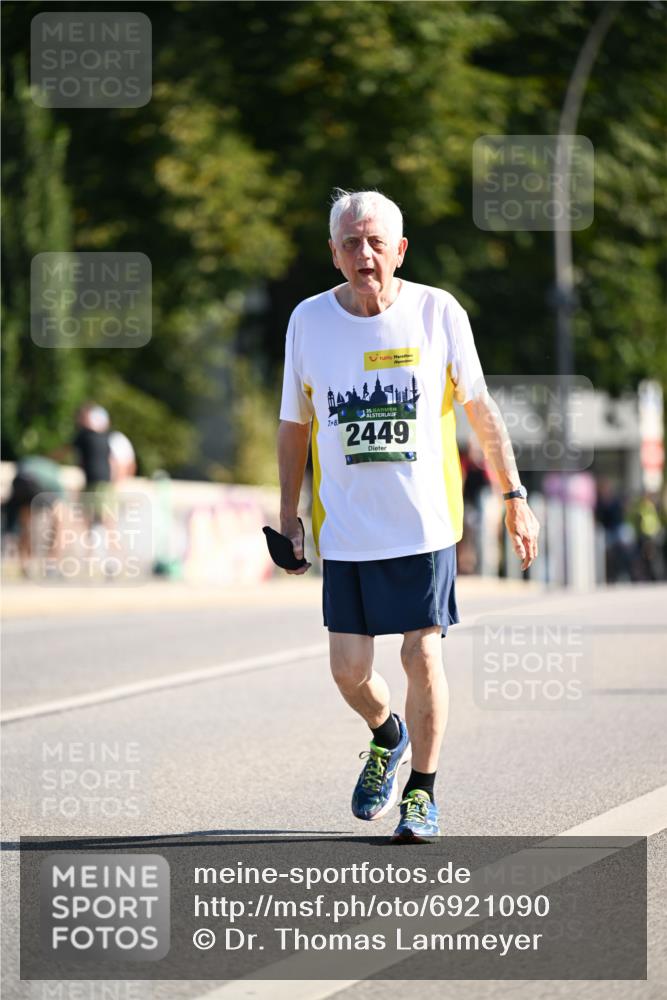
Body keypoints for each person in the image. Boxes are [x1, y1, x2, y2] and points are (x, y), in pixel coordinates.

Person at [277, 190, 539, 843]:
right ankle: (384, 734)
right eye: (350, 243)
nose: (363, 255)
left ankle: (420, 793)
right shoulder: (308, 322)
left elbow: (479, 410)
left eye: (375, 242)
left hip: (422, 525)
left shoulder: (436, 312)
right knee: (348, 671)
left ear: (399, 250)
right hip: (346, 531)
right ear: (333, 254)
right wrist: (289, 515)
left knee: (421, 655)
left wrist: (513, 496)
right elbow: (292, 425)